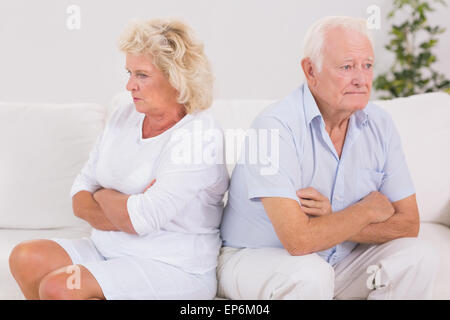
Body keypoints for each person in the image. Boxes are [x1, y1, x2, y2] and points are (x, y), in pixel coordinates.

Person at [218, 16, 439, 300]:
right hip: (257, 258)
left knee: (418, 255)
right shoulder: (274, 127)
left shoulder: (380, 125)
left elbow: (409, 224)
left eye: (367, 66)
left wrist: (335, 220)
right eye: (347, 67)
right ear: (311, 70)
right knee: (309, 275)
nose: (361, 79)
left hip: (336, 260)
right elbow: (298, 240)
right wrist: (366, 210)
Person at [9, 18, 229, 300]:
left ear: (177, 78)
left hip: (172, 267)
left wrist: (103, 195)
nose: (129, 86)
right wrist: (124, 206)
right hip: (107, 250)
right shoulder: (123, 116)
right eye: (129, 72)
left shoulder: (200, 135)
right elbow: (80, 193)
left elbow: (141, 220)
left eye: (141, 75)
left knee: (60, 286)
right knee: (25, 257)